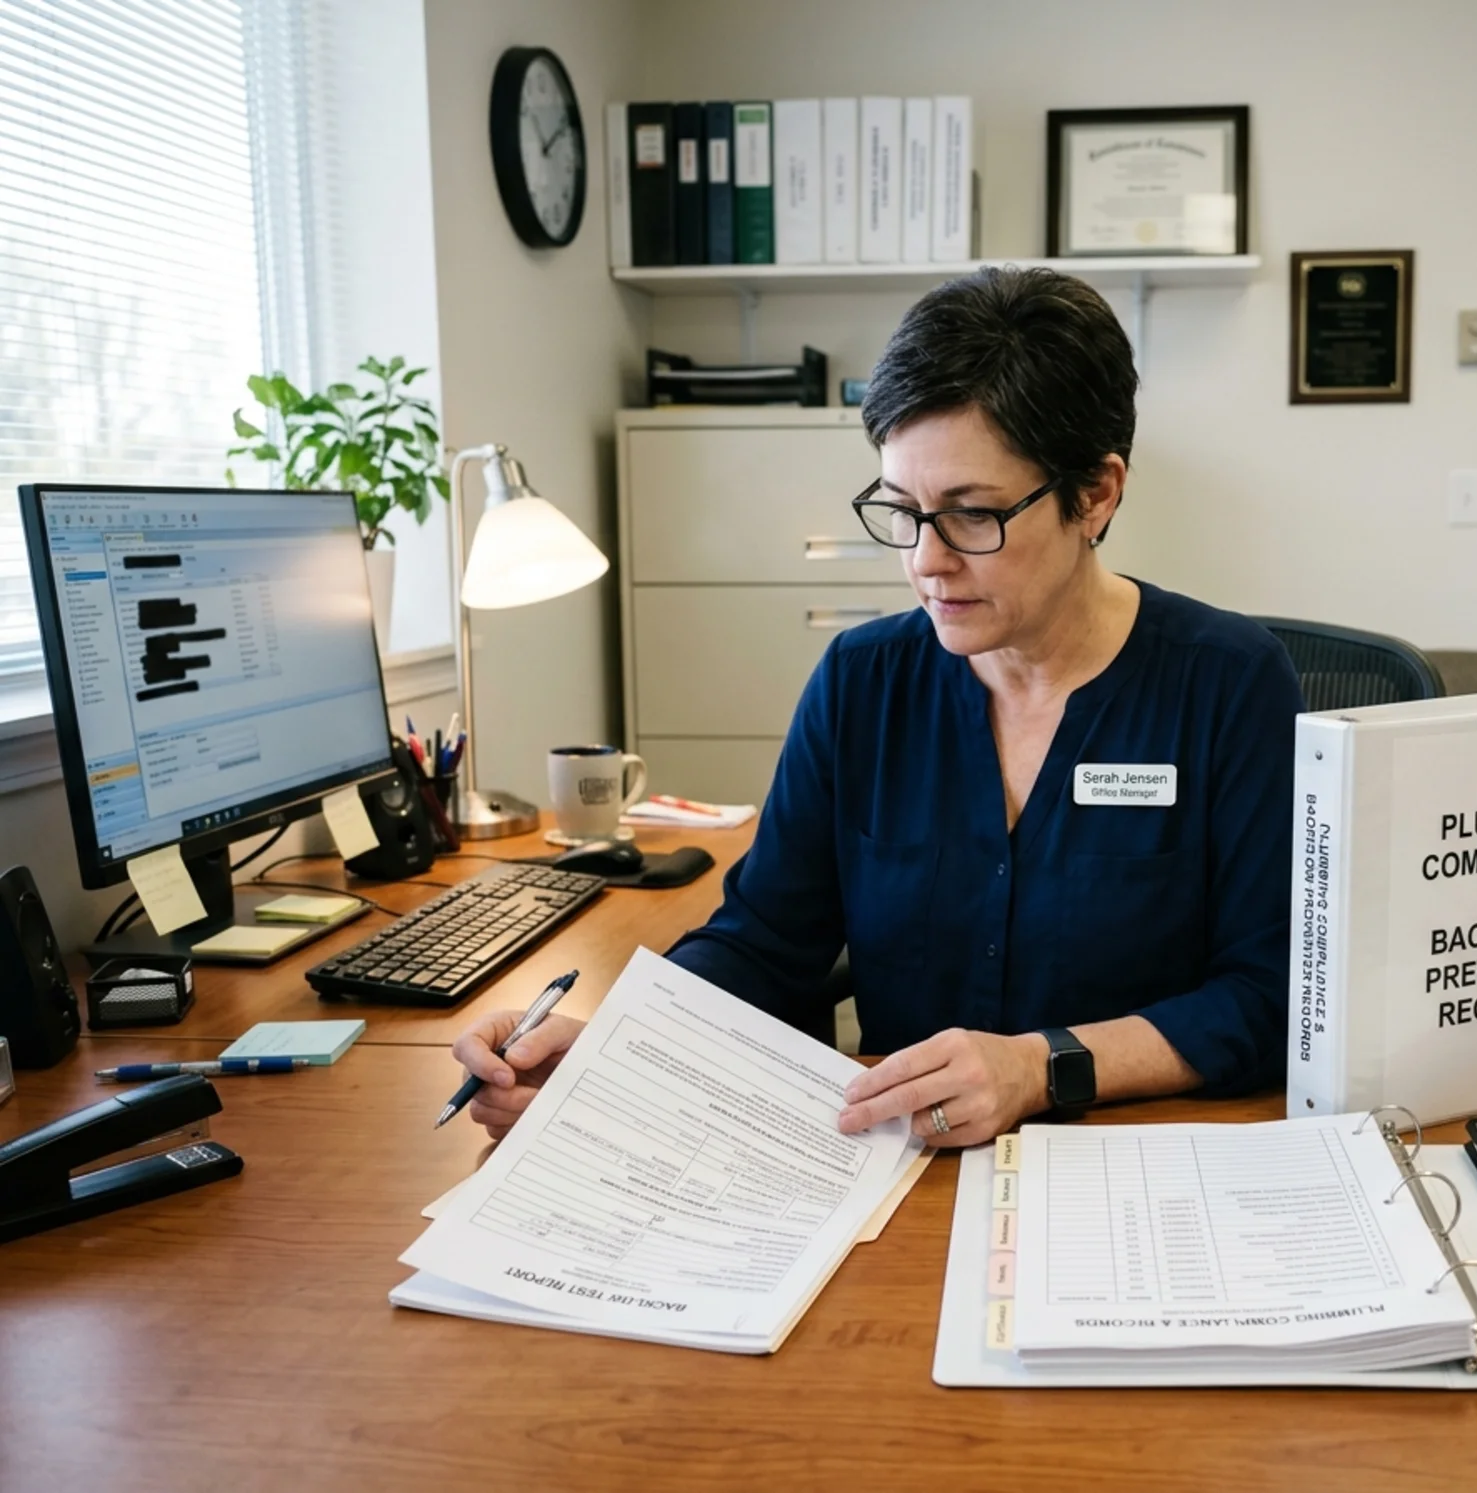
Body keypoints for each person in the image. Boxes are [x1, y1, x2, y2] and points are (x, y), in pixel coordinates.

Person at [452, 266, 1306, 1148]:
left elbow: (1269, 991)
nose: (926, 563)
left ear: (1096, 494)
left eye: (973, 516)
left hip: (1146, 1157)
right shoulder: (865, 680)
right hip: (904, 1163)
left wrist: (1040, 1066)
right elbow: (764, 941)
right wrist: (618, 1050)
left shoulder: (1229, 684)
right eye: (903, 510)